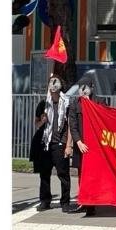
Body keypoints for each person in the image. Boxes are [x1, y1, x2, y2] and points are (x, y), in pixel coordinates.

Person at [40, 77, 73, 212]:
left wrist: (68, 145)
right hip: (46, 143)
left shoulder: (66, 102)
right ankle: (44, 200)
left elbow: (70, 125)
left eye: (55, 83)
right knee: (44, 174)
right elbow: (37, 124)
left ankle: (65, 202)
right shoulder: (44, 104)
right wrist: (42, 120)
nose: (53, 86)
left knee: (63, 174)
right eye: (51, 83)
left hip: (60, 143)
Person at [67, 81, 96, 216]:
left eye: (86, 89)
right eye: (81, 89)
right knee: (81, 175)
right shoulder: (74, 104)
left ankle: (92, 204)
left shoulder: (98, 102)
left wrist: (90, 103)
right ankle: (83, 201)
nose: (83, 91)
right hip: (81, 146)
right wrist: (77, 141)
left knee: (92, 176)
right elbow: (72, 125)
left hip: (94, 147)